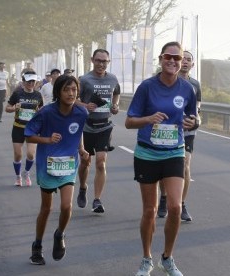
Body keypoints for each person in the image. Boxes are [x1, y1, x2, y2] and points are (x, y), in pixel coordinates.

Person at [125, 41, 197, 276]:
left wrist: (193, 122)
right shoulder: (147, 87)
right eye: (169, 57)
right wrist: (149, 119)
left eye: (177, 58)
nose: (173, 61)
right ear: (160, 58)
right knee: (150, 210)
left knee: (175, 207)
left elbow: (194, 118)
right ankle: (146, 260)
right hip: (147, 152)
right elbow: (129, 122)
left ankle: (167, 258)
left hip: (174, 151)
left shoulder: (187, 89)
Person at [25, 75, 89, 265]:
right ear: (58, 92)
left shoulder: (81, 112)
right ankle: (37, 245)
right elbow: (29, 136)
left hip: (68, 165)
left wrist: (81, 149)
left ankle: (59, 234)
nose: (71, 93)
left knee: (66, 206)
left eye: (74, 90)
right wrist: (47, 140)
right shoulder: (46, 112)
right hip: (47, 166)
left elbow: (78, 132)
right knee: (46, 209)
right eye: (66, 90)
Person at [157, 50, 201, 222]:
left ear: (192, 64)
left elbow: (197, 110)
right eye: (183, 59)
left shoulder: (195, 85)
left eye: (189, 60)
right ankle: (163, 198)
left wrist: (196, 121)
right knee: (164, 167)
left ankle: (181, 204)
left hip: (187, 131)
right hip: (168, 129)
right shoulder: (164, 80)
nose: (185, 63)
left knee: (185, 165)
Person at [76, 49, 120, 213]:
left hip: (105, 125)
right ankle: (82, 187)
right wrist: (85, 106)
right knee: (85, 162)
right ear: (92, 60)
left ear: (108, 62)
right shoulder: (84, 79)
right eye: (98, 60)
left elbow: (116, 94)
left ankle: (97, 200)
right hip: (87, 125)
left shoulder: (112, 78)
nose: (101, 64)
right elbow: (73, 100)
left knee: (101, 162)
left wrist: (115, 106)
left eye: (105, 61)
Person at [5, 71, 43, 186]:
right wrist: (14, 108)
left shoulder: (38, 95)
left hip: (32, 129)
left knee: (31, 154)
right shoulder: (17, 94)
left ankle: (26, 172)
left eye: (33, 81)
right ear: (23, 81)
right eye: (28, 81)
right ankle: (18, 176)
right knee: (18, 154)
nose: (31, 83)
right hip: (18, 127)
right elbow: (7, 108)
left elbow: (41, 110)